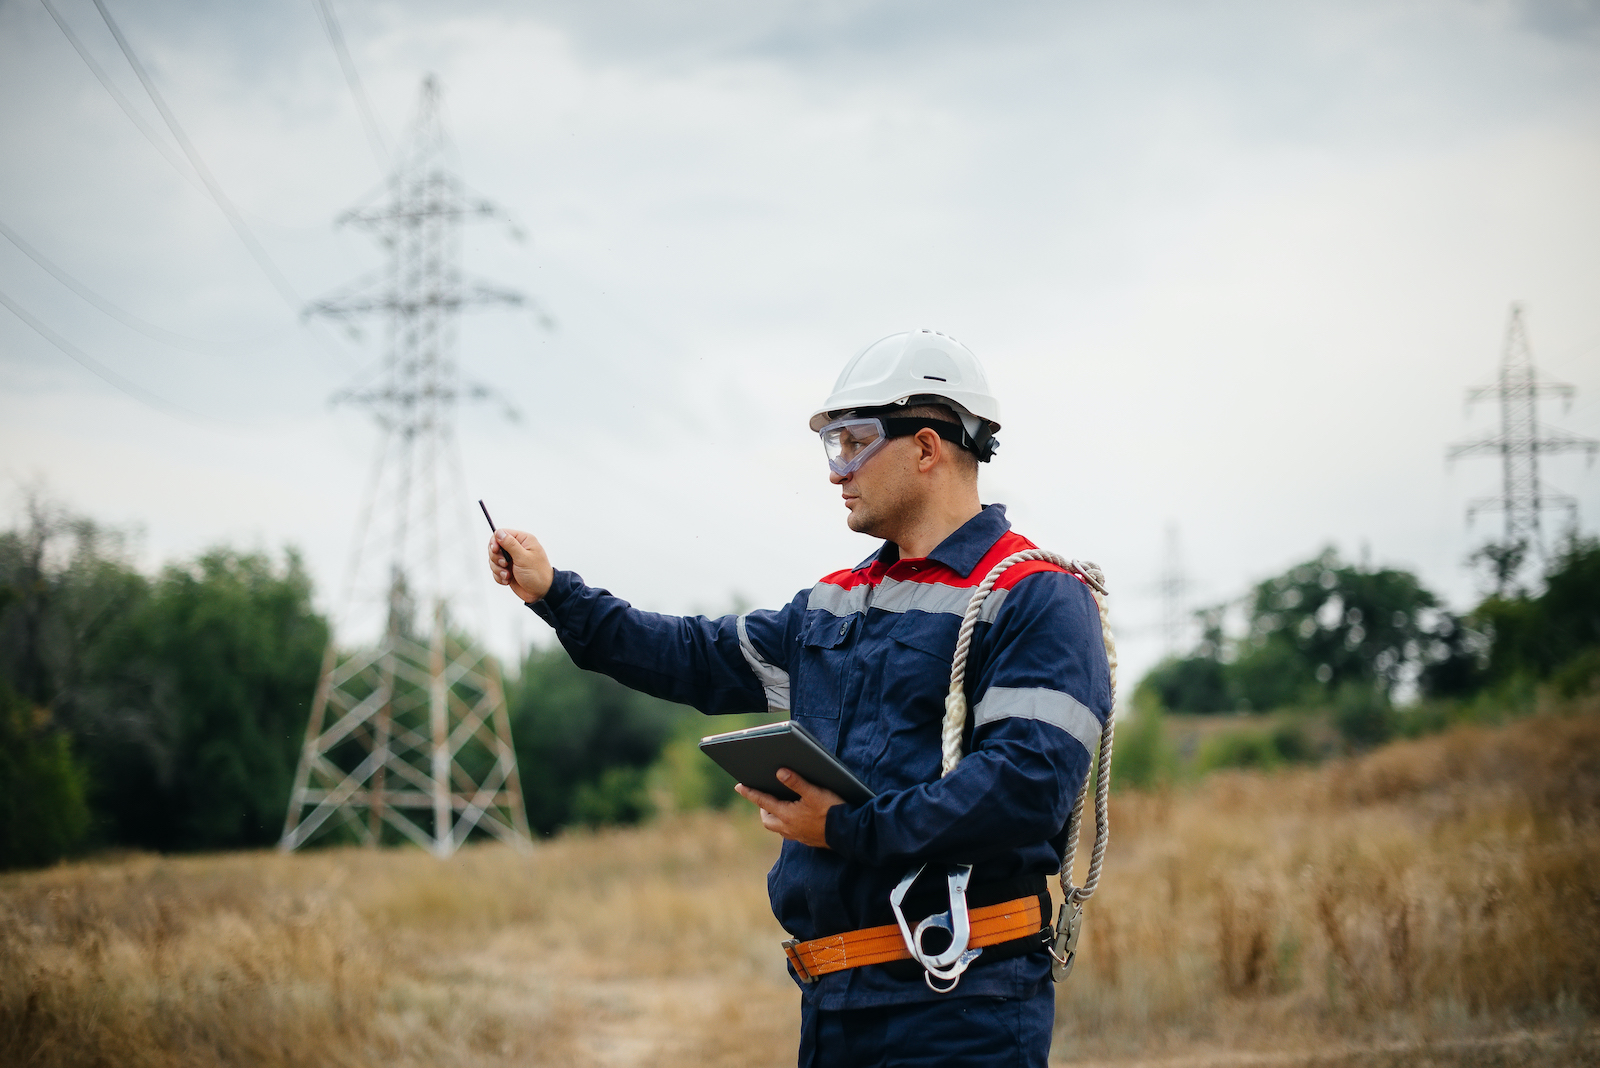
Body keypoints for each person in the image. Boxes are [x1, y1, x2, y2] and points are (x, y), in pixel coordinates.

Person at [488, 330, 1111, 1067]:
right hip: (833, 1004)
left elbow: (1024, 789)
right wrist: (559, 595)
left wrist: (845, 828)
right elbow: (692, 657)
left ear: (928, 446)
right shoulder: (835, 606)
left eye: (852, 443)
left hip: (962, 1007)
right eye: (831, 447)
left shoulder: (1036, 596)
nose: (835, 471)